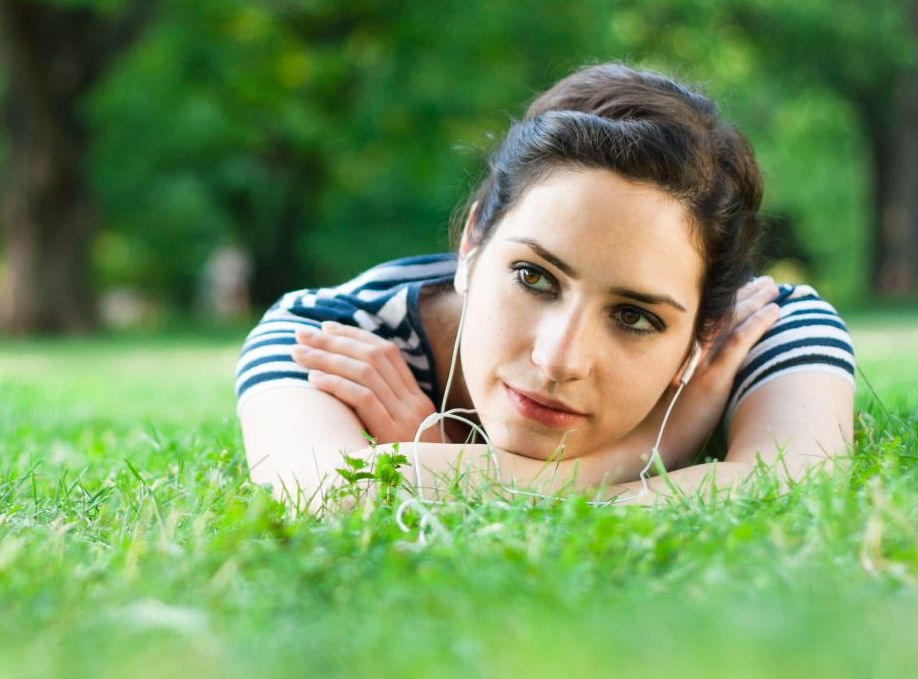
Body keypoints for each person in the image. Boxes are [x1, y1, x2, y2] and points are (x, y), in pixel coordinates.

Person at [234, 63, 856, 506]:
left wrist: (448, 474)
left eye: (635, 317)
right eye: (534, 278)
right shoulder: (329, 335)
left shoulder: (761, 326)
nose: (557, 358)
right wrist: (641, 452)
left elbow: (795, 482)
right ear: (474, 241)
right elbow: (318, 493)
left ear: (701, 337)